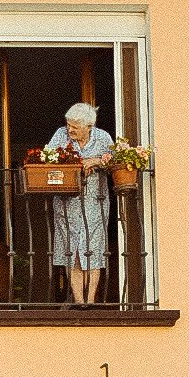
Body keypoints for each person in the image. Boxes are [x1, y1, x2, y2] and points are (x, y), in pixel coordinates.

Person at [46, 101, 114, 305]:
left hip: (95, 203)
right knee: (72, 252)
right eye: (69, 125)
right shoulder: (60, 135)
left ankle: (90, 301)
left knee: (92, 250)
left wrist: (97, 161)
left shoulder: (103, 137)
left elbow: (117, 160)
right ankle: (78, 301)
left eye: (75, 127)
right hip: (67, 204)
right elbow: (47, 158)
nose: (70, 130)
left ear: (89, 126)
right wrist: (75, 165)